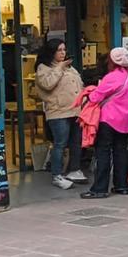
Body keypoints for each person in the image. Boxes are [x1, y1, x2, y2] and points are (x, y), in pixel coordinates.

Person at [81, 48, 128, 198]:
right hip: (125, 121)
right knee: (120, 151)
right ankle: (121, 186)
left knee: (103, 152)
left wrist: (90, 91)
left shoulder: (111, 77)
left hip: (108, 119)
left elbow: (95, 97)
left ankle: (99, 189)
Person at [35, 39, 87, 189]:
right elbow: (48, 84)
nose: (63, 53)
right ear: (51, 52)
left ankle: (74, 169)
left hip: (75, 110)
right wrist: (60, 67)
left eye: (64, 49)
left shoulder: (70, 68)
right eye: (59, 50)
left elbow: (79, 84)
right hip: (58, 112)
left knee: (76, 142)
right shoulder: (43, 68)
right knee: (60, 144)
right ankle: (57, 175)